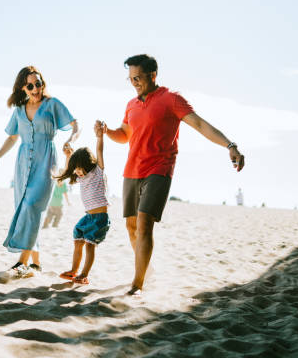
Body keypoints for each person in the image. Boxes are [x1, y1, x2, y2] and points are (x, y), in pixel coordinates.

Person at [102, 54, 245, 295]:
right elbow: (125, 135)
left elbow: (200, 125)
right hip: (132, 170)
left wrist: (230, 145)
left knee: (145, 223)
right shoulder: (131, 105)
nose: (134, 82)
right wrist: (107, 131)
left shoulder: (171, 99)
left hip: (159, 169)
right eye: (130, 79)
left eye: (138, 77)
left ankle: (137, 285)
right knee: (131, 226)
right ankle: (145, 271)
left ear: (153, 75)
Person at [0, 65, 79, 277]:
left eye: (39, 83)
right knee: (25, 209)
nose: (36, 88)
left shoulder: (52, 104)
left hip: (46, 163)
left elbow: (75, 125)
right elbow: (12, 137)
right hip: (22, 165)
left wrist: (70, 140)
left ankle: (22, 262)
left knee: (32, 207)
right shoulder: (19, 110)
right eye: (31, 85)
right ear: (23, 88)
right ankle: (36, 263)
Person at [58, 121, 110, 285]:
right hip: (88, 217)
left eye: (79, 168)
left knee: (89, 245)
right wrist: (68, 157)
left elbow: (99, 151)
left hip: (100, 218)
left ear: (88, 164)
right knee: (77, 240)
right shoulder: (80, 178)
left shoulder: (97, 172)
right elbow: (68, 171)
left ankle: (84, 274)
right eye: (76, 169)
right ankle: (74, 271)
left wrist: (99, 137)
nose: (77, 171)